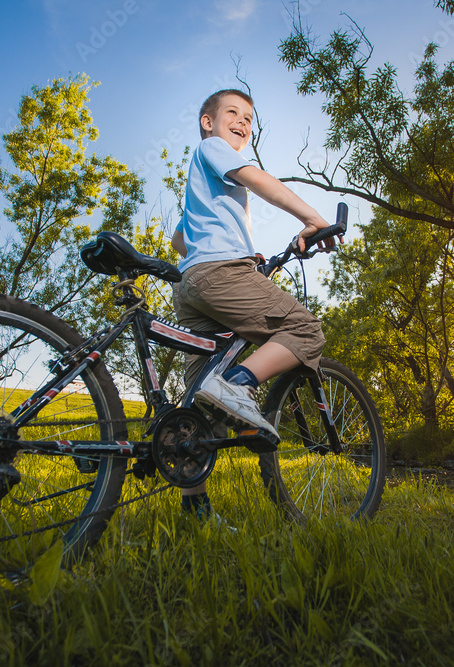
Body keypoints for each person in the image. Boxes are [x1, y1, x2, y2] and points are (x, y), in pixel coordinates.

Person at [170, 89, 335, 519]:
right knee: (304, 329)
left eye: (248, 118)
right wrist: (312, 218)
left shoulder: (201, 178)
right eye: (233, 113)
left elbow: (178, 238)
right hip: (221, 274)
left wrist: (242, 251)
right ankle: (240, 383)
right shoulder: (213, 148)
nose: (243, 122)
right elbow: (259, 181)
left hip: (192, 284)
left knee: (197, 406)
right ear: (209, 122)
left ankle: (196, 509)